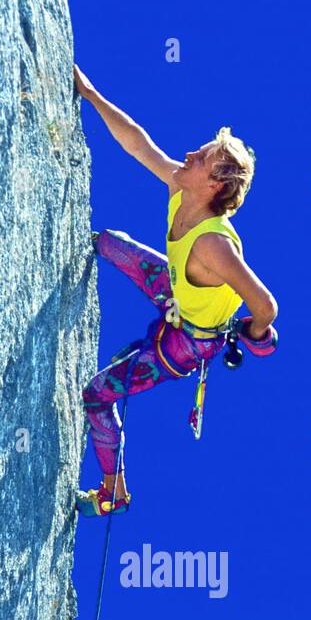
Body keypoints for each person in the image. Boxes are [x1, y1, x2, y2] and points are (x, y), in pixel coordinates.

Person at [73, 62, 278, 516]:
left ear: (215, 184)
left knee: (97, 394)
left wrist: (254, 331)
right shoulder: (184, 191)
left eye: (200, 157)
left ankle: (113, 491)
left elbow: (265, 303)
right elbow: (137, 143)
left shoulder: (213, 244)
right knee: (108, 243)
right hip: (179, 298)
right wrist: (90, 94)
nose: (188, 155)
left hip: (188, 343)